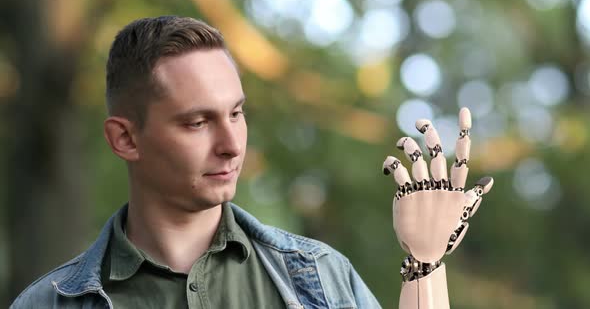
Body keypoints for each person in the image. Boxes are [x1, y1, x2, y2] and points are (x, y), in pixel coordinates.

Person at [10, 16, 494, 309]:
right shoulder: (47, 304)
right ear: (125, 139)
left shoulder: (319, 281)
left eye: (236, 113)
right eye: (197, 122)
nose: (231, 144)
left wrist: (425, 267)